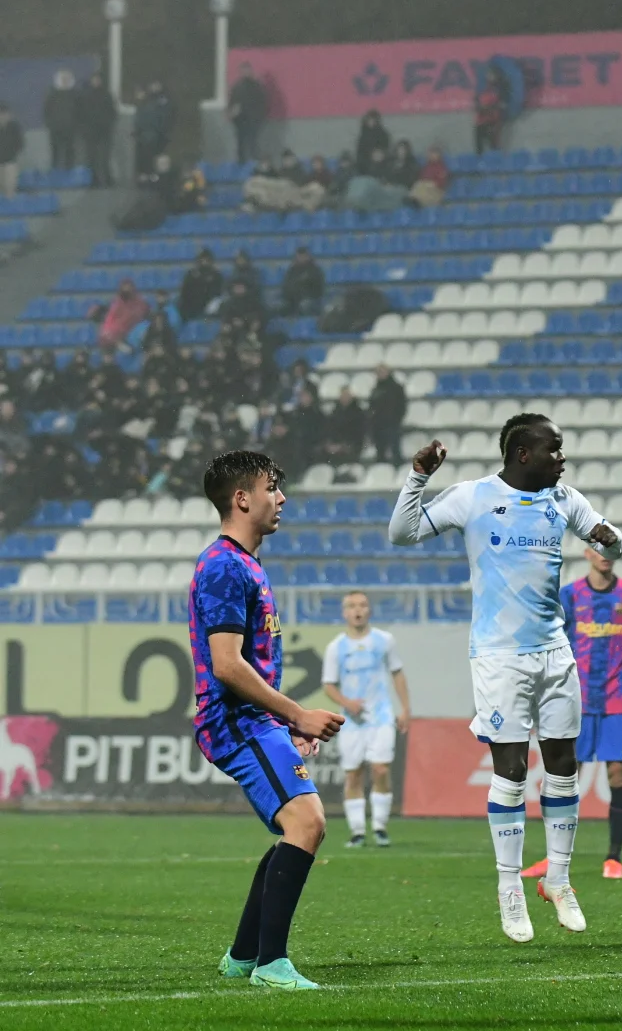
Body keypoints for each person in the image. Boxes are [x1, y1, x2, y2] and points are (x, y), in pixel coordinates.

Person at [388, 413, 622, 941]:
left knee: (564, 765)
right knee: (512, 770)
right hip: (499, 656)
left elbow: (612, 545)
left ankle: (559, 880)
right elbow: (401, 533)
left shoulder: (565, 500)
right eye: (554, 450)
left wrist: (611, 540)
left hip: (554, 650)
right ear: (523, 454)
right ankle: (510, 887)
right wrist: (418, 477)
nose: (562, 459)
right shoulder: (472, 497)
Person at [193, 450, 344, 990]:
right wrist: (298, 713)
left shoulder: (245, 564)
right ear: (242, 499)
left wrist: (288, 724)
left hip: (256, 720)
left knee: (295, 826)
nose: (281, 498)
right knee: (307, 823)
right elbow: (227, 665)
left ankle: (243, 954)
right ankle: (271, 964)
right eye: (272, 488)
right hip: (235, 722)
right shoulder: (224, 566)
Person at [530, 545, 622, 881]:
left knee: (618, 775)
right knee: (564, 776)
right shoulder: (570, 595)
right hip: (575, 699)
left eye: (610, 548)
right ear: (587, 553)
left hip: (617, 700)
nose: (605, 554)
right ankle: (554, 858)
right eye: (598, 548)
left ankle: (614, 858)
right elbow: (551, 644)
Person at [321, 590, 411, 849]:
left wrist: (405, 709)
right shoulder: (336, 647)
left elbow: (397, 674)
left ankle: (380, 826)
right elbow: (328, 684)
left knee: (381, 769)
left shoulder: (384, 640)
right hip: (350, 721)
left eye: (362, 605)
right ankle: (358, 831)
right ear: (344, 612)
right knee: (353, 774)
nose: (357, 610)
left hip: (380, 715)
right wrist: (347, 703)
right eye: (351, 606)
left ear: (369, 610)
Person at [77, 72, 118, 187]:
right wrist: (83, 128)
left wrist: (108, 124)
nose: (96, 82)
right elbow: (79, 114)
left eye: (98, 79)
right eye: (94, 79)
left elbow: (112, 112)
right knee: (91, 157)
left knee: (105, 157)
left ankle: (107, 180)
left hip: (104, 131)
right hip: (90, 132)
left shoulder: (106, 94)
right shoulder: (85, 95)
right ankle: (92, 180)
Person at [229, 63, 270, 164]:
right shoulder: (237, 87)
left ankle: (254, 163)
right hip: (240, 120)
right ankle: (241, 163)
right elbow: (232, 103)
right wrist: (233, 114)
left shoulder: (257, 86)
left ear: (251, 71)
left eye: (247, 70)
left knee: (252, 142)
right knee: (240, 143)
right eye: (243, 71)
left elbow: (263, 103)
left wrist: (258, 117)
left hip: (253, 120)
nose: (245, 73)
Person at [95, 278, 150, 349]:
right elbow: (109, 324)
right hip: (117, 336)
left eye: (129, 288)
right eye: (125, 288)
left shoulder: (140, 303)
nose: (127, 291)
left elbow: (146, 316)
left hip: (133, 334)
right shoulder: (116, 304)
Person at [369, 365, 407, 463]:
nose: (380, 374)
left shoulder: (396, 388)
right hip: (378, 426)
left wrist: (396, 419)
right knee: (380, 453)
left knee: (395, 452)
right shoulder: (375, 389)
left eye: (382, 371)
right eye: (378, 372)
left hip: (392, 424)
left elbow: (402, 406)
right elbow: (371, 406)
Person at [44, 69, 77, 170]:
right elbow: (46, 110)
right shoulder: (52, 94)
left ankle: (69, 171)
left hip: (70, 128)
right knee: (55, 151)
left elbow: (80, 111)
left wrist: (77, 124)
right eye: (63, 79)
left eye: (67, 79)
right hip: (55, 128)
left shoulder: (75, 95)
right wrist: (50, 124)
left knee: (69, 151)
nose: (65, 81)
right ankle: (54, 172)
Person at [280, 247, 325, 316]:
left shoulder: (315, 270)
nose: (301, 258)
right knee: (281, 306)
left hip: (310, 299)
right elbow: (286, 286)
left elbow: (319, 289)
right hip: (293, 299)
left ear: (308, 256)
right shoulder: (292, 270)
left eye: (303, 256)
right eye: (299, 256)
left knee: (304, 305)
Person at [356, 110, 390, 175]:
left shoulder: (382, 134)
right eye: (370, 119)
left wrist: (379, 154)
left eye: (373, 120)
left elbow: (385, 148)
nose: (371, 122)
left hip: (380, 163)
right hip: (364, 164)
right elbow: (359, 152)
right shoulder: (363, 135)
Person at [0, 105, 22, 198]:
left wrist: (15, 154)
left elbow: (20, 143)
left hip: (10, 160)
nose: (3, 117)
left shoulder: (14, 127)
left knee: (10, 183)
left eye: (5, 114)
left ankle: (10, 198)